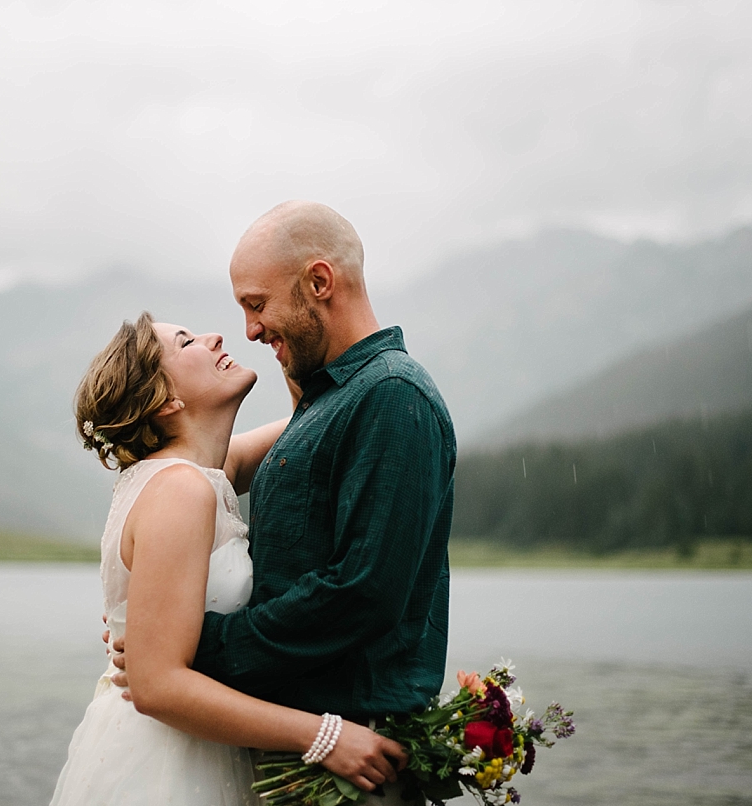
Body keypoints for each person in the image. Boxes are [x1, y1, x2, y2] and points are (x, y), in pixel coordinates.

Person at [109, 201, 456, 805]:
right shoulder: (326, 406)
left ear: (319, 282)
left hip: (355, 761)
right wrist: (155, 651)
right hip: (295, 760)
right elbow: (196, 464)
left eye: (257, 304)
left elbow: (361, 592)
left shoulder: (392, 396)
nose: (247, 330)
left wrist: (197, 649)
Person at [49, 311, 406, 806]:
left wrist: (293, 340)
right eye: (188, 340)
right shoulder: (180, 489)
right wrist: (327, 737)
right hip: (168, 764)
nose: (216, 335)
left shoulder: (198, 471)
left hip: (188, 745)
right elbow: (156, 687)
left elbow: (322, 417)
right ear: (165, 400)